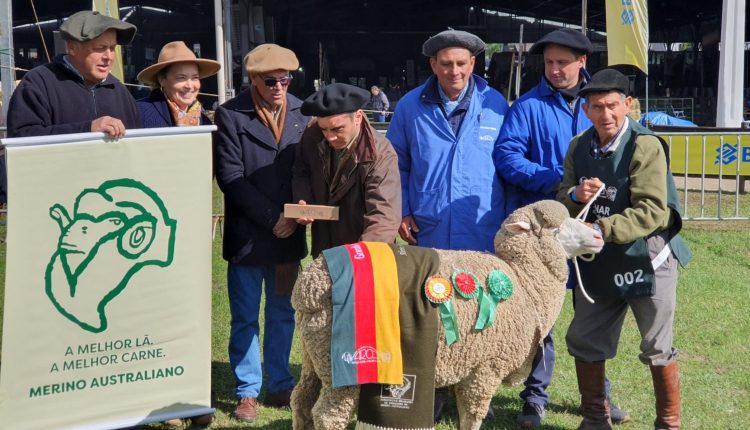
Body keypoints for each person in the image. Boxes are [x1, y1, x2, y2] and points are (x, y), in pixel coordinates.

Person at [493, 28, 629, 428]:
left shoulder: (603, 102)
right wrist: (558, 183)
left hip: (595, 225)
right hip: (544, 231)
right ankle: (534, 398)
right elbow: (507, 156)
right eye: (549, 63)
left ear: (582, 62)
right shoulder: (527, 106)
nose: (554, 70)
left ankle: (598, 398)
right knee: (541, 316)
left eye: (562, 62)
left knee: (594, 314)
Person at [557, 68, 692, 430]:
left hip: (649, 257)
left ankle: (669, 423)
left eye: (613, 105)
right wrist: (574, 196)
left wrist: (600, 227)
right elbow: (561, 198)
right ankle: (595, 420)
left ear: (628, 104)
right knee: (584, 339)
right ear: (585, 109)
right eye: (597, 106)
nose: (606, 115)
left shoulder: (645, 145)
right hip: (599, 261)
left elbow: (651, 210)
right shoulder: (577, 146)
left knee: (656, 346)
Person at [387, 28, 509, 421]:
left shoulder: (497, 105)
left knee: (479, 315)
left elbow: (509, 164)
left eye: (461, 63)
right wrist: (402, 210)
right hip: (430, 226)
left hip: (481, 226)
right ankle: (431, 396)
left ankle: (474, 398)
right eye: (446, 64)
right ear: (432, 65)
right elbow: (397, 164)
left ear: (473, 64)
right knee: (429, 314)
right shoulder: (409, 107)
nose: (454, 71)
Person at [213, 43, 308, 423]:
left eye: (286, 79)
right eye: (271, 81)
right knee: (246, 317)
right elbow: (231, 178)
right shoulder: (230, 115)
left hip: (289, 240)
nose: (279, 87)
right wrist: (273, 218)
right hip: (248, 238)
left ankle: (281, 383)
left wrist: (302, 207)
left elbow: (311, 169)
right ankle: (247, 390)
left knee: (283, 313)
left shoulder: (304, 111)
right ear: (253, 79)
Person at [292, 83, 401, 257]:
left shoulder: (380, 154)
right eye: (324, 129)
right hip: (324, 246)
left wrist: (359, 259)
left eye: (337, 129)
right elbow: (301, 170)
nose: (330, 136)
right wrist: (303, 198)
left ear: (358, 117)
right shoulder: (313, 134)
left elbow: (383, 217)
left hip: (365, 251)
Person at [6, 10, 139, 138]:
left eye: (112, 48)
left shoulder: (120, 91)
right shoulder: (39, 83)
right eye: (100, 48)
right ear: (71, 48)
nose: (108, 57)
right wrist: (86, 130)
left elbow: (138, 143)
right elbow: (21, 137)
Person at [136, 41, 220, 127]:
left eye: (195, 78)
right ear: (162, 80)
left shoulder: (205, 123)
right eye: (181, 78)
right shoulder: (139, 113)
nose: (190, 86)